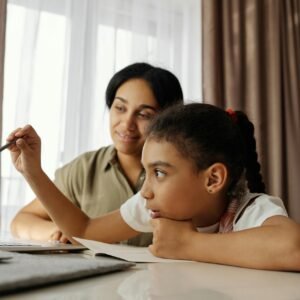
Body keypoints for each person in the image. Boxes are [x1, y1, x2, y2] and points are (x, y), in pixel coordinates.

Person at [7, 103, 300, 271]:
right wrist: (33, 172)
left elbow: (293, 247)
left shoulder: (251, 210)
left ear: (213, 179)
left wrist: (188, 244)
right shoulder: (153, 207)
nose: (145, 191)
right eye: (146, 173)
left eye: (159, 173)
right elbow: (84, 231)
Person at [10, 62, 183, 246]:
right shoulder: (84, 169)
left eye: (144, 114)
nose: (127, 124)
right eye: (120, 108)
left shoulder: (181, 176)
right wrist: (57, 231)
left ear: (168, 119)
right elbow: (22, 221)